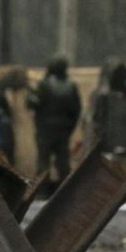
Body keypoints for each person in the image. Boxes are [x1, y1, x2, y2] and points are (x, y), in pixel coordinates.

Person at [28, 52, 81, 186]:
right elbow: (76, 110)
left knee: (43, 162)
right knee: (63, 162)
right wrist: (70, 128)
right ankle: (65, 188)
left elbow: (35, 104)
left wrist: (30, 98)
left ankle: (42, 189)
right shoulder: (70, 86)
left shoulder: (45, 85)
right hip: (63, 129)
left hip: (45, 129)